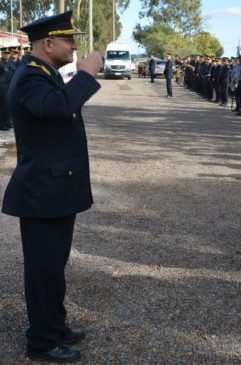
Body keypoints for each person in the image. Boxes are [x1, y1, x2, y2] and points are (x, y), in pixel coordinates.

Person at [1, 11, 102, 363]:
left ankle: (55, 326)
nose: (74, 45)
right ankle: (42, 341)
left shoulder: (45, 74)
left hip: (54, 190)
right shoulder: (31, 77)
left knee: (53, 266)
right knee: (43, 271)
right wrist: (87, 75)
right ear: (48, 43)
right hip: (42, 192)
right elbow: (58, 107)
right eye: (68, 39)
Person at [0, 47, 15, 130]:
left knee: (9, 105)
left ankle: (8, 122)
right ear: (2, 54)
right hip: (2, 87)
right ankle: (2, 124)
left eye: (8, 53)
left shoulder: (11, 63)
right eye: (5, 53)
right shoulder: (0, 63)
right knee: (3, 106)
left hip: (10, 87)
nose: (7, 55)